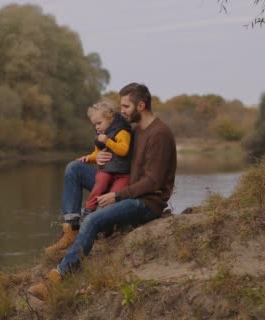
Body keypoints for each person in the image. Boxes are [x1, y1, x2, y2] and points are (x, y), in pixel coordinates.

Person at [29, 83, 177, 301]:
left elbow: (153, 182)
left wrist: (117, 196)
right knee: (75, 169)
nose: (122, 111)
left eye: (126, 106)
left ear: (141, 105)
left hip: (145, 203)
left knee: (92, 220)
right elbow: (118, 155)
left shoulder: (160, 134)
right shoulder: (135, 129)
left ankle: (56, 281)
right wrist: (98, 158)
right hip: (126, 187)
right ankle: (70, 229)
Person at [79, 100, 132, 218]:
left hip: (123, 174)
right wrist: (88, 158)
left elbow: (124, 150)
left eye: (99, 123)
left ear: (110, 118)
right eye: (95, 125)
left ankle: (106, 217)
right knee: (100, 184)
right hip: (107, 170)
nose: (97, 127)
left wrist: (107, 141)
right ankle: (89, 209)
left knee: (114, 195)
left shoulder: (122, 132)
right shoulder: (100, 135)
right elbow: (97, 153)